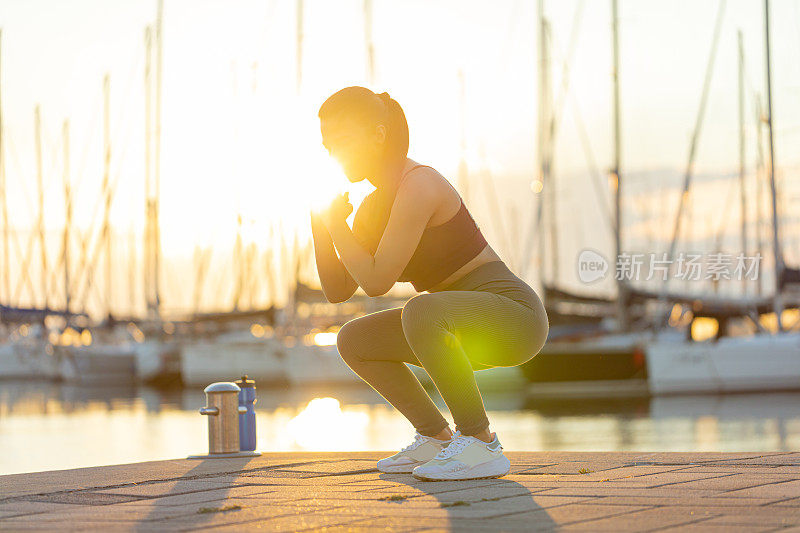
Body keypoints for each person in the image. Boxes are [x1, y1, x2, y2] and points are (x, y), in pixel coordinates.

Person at [310, 86, 549, 481]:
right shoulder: (372, 207)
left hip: (514, 319)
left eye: (342, 141)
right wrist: (322, 227)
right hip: (450, 326)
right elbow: (338, 290)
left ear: (379, 134)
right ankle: (436, 436)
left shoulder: (419, 184)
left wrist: (337, 225)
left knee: (420, 310)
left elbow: (376, 281)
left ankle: (480, 442)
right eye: (327, 145)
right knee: (354, 339)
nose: (333, 154)